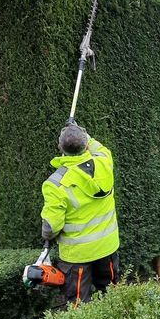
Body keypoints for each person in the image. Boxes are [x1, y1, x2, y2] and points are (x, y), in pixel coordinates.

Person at [41, 124, 120, 305]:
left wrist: (47, 235)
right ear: (86, 146)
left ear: (60, 148)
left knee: (79, 306)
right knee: (114, 298)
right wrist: (82, 133)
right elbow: (97, 147)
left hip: (76, 258)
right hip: (107, 248)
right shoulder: (104, 162)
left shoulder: (55, 184)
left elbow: (51, 228)